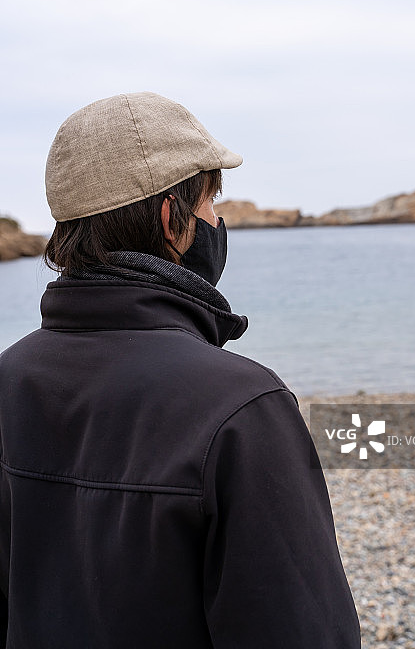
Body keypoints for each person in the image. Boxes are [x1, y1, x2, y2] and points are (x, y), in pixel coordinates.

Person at [0, 92, 361, 648]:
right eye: (212, 204)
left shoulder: (8, 376)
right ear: (173, 220)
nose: (219, 223)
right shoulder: (242, 406)